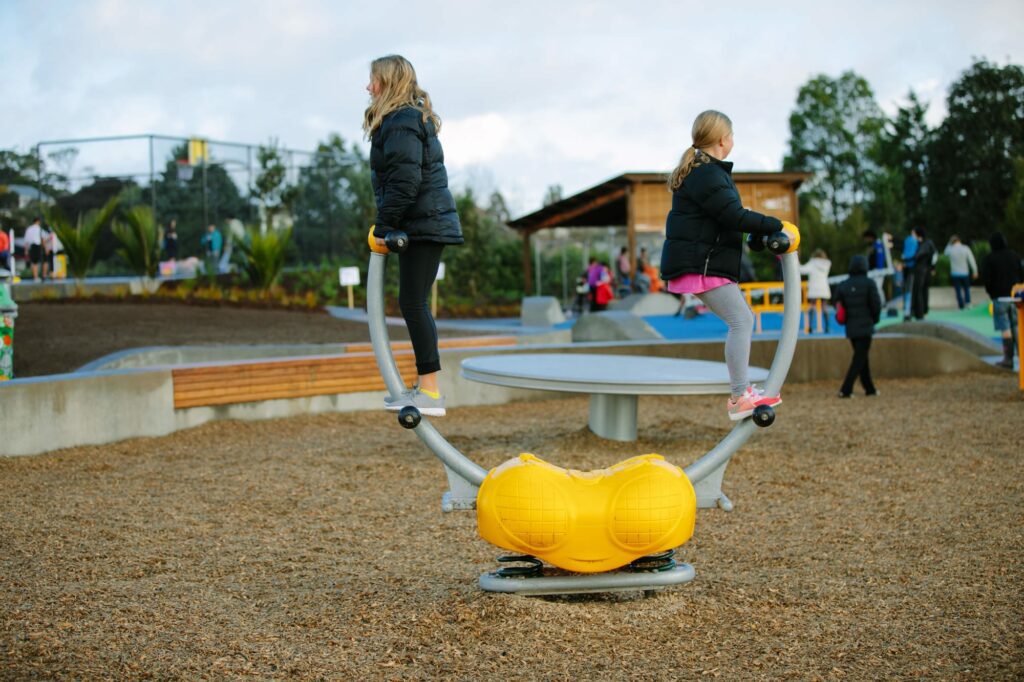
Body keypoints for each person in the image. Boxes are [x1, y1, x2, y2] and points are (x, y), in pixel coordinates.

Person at [660, 110, 797, 421]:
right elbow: (734, 216)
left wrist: (757, 230)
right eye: (732, 135)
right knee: (741, 322)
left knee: (742, 319)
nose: (733, 140)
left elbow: (727, 215)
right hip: (702, 264)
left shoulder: (704, 171)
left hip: (700, 261)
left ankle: (740, 392)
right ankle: (739, 396)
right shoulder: (708, 174)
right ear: (723, 139)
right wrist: (778, 225)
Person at [366, 55, 463, 417]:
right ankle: (426, 386)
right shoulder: (404, 119)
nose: (368, 87)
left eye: (373, 80)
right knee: (412, 302)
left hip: (424, 223)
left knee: (413, 303)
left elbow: (405, 181)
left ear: (388, 82)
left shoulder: (401, 120)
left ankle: (432, 390)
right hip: (422, 222)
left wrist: (383, 224)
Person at [833, 254, 881, 398]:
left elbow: (836, 302)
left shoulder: (844, 284)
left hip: (851, 327)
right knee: (859, 359)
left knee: (862, 358)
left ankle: (869, 388)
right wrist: (874, 320)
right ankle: (846, 389)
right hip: (866, 326)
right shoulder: (870, 283)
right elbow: (876, 305)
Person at [981, 231, 1023, 369]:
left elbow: (986, 279)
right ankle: (1021, 356)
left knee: (1005, 328)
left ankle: (1008, 358)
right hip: (1015, 297)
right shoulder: (1014, 256)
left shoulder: (990, 258)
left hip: (999, 297)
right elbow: (1021, 274)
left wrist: (991, 292)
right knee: (1016, 326)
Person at [800, 248, 832, 333]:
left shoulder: (812, 263)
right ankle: (827, 327)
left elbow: (802, 270)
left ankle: (810, 326)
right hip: (824, 288)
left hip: (814, 288)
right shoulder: (827, 264)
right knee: (824, 307)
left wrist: (797, 262)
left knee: (812, 306)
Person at [944, 235, 978, 309]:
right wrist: (975, 271)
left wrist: (949, 243)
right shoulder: (965, 248)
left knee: (958, 290)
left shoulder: (951, 249)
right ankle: (968, 303)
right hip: (965, 273)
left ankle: (961, 305)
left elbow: (945, 252)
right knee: (966, 289)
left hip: (955, 273)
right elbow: (971, 260)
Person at [910, 227, 937, 320]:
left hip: (921, 270)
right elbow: (934, 256)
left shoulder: (922, 245)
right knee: (924, 290)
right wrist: (933, 268)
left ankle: (919, 312)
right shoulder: (928, 243)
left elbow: (917, 256)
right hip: (927, 270)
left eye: (913, 234)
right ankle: (924, 310)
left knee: (919, 291)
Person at [901, 230, 918, 317]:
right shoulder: (915, 241)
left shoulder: (907, 240)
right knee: (910, 290)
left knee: (906, 289)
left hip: (906, 267)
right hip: (912, 268)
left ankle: (906, 309)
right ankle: (909, 310)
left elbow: (904, 253)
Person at [23, 217, 44, 281]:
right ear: (38, 221)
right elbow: (42, 238)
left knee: (33, 262)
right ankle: (36, 276)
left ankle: (35, 276)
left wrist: (26, 250)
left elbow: (26, 240)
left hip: (32, 247)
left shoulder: (29, 229)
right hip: (37, 246)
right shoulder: (39, 228)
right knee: (36, 262)